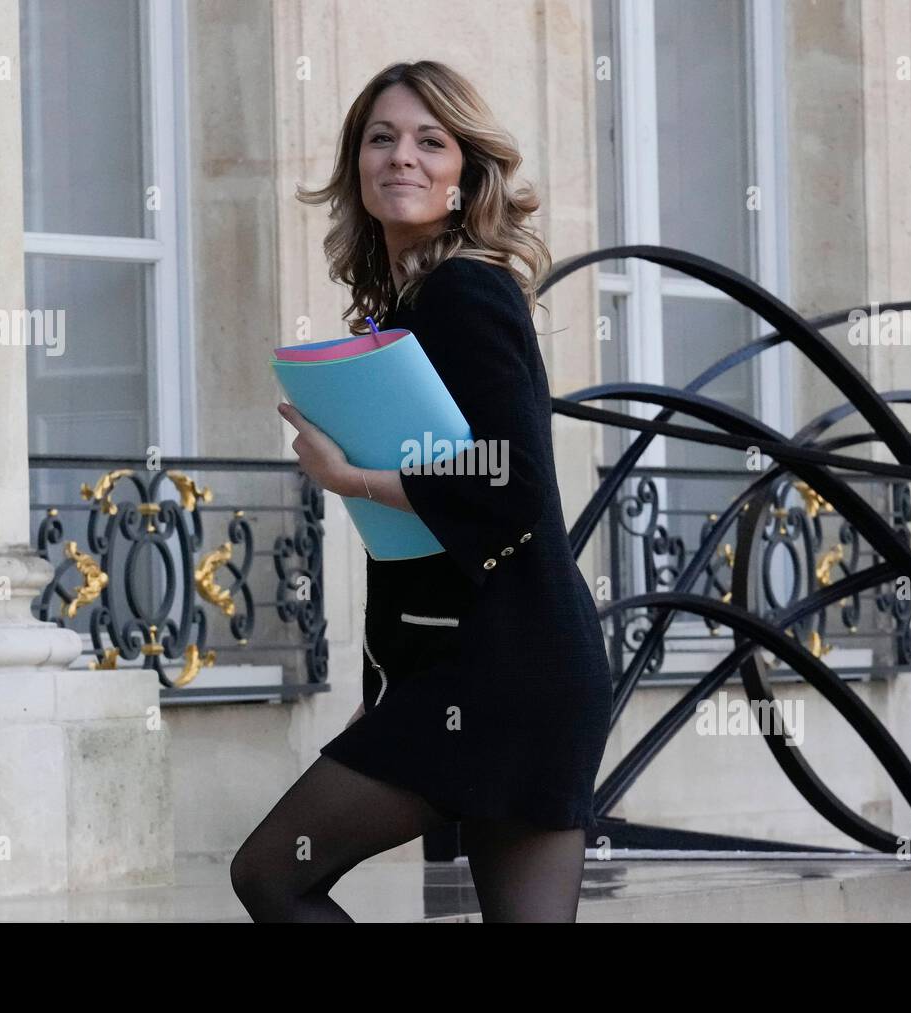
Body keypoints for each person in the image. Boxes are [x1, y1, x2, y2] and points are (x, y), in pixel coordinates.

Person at [230, 60, 612, 923]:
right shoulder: (411, 305)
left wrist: (349, 476)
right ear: (356, 166)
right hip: (525, 668)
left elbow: (508, 481)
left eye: (430, 141)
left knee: (271, 874)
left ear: (464, 176)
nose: (402, 157)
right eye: (381, 138)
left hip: (501, 673)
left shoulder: (461, 292)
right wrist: (389, 678)